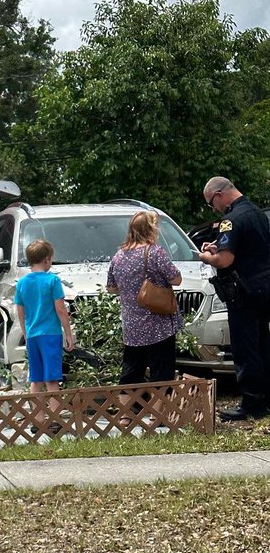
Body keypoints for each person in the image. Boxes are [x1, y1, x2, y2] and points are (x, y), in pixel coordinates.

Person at [197, 177, 270, 421]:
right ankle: (265, 399)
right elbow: (249, 249)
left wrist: (206, 257)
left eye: (211, 203)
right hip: (264, 288)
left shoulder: (231, 220)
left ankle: (251, 403)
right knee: (263, 345)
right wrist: (218, 248)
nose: (214, 209)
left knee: (245, 347)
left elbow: (226, 261)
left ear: (218, 195)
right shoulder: (257, 213)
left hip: (244, 292)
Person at [106, 211, 183, 406]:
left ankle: (126, 416)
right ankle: (157, 416)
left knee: (131, 369)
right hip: (158, 323)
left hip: (132, 325)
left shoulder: (118, 255)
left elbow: (111, 288)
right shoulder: (154, 252)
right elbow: (176, 279)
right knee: (161, 369)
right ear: (151, 229)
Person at [14, 239, 74, 428]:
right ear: (47, 260)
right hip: (50, 334)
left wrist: (25, 331)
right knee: (52, 378)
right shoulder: (52, 280)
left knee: (36, 379)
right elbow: (60, 309)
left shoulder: (22, 283)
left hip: (32, 335)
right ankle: (55, 420)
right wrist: (68, 333)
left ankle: (37, 420)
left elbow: (20, 310)